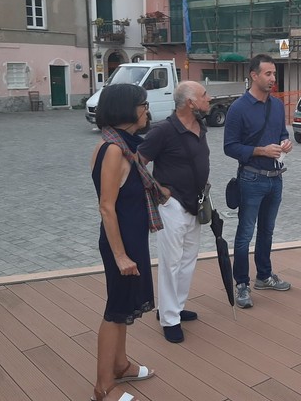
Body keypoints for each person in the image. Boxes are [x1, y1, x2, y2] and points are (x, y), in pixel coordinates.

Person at [90, 83, 160, 401]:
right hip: (121, 245)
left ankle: (120, 364)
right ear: (127, 109)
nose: (147, 109)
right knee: (116, 310)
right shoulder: (113, 150)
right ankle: (103, 386)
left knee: (124, 307)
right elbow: (106, 205)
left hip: (132, 240)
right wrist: (120, 255)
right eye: (143, 104)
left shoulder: (124, 145)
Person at [138, 81, 211, 343]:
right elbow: (137, 162)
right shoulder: (164, 131)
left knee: (188, 260)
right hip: (173, 206)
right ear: (190, 103)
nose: (209, 98)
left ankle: (176, 308)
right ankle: (169, 319)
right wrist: (158, 190)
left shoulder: (200, 125)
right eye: (204, 95)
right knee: (170, 263)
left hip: (196, 203)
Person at [224, 54, 293, 309]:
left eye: (274, 74)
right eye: (268, 74)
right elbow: (229, 147)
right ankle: (241, 283)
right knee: (245, 234)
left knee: (267, 231)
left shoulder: (276, 105)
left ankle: (264, 276)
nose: (273, 78)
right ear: (254, 75)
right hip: (251, 178)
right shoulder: (238, 108)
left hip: (276, 178)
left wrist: (286, 143)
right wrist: (260, 151)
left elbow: (283, 133)